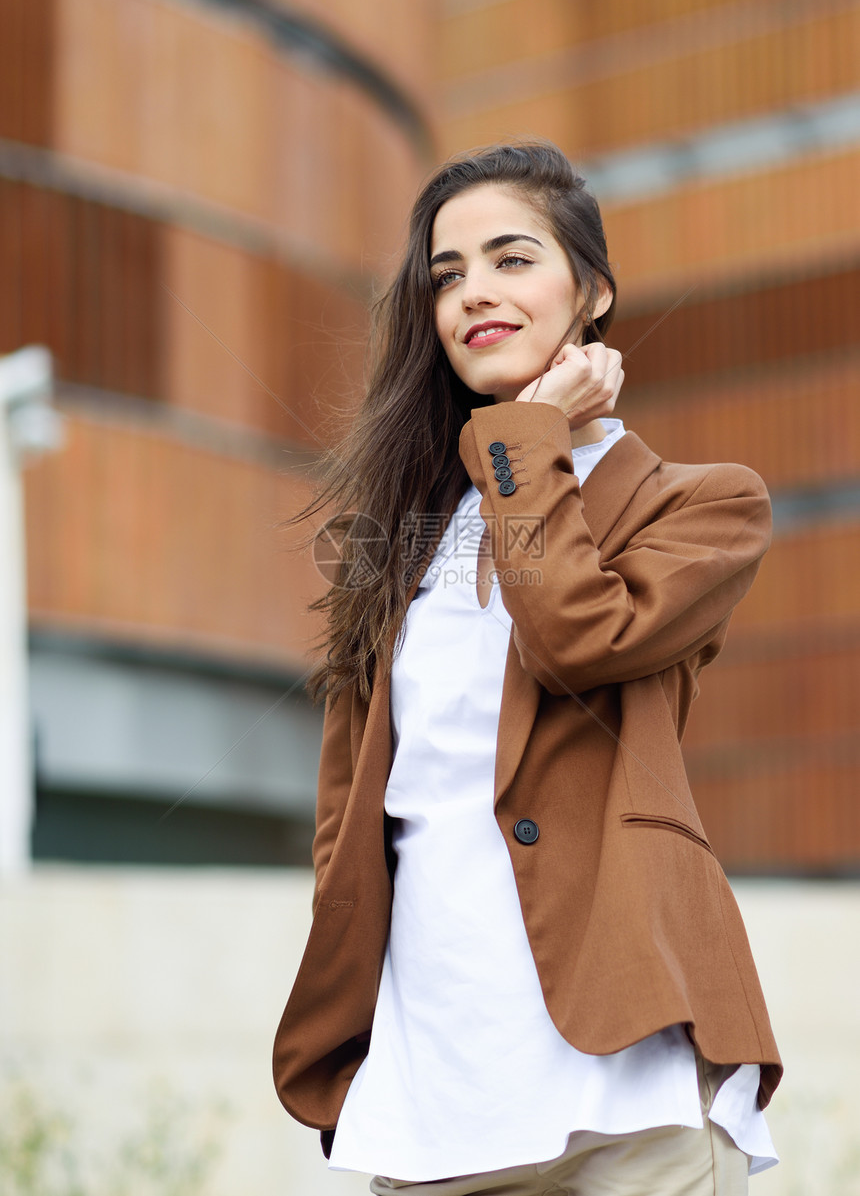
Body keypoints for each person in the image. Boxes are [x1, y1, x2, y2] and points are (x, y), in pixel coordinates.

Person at [272, 141, 782, 1195]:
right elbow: (347, 805)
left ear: (590, 291)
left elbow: (572, 637)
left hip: (625, 1080)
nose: (471, 294)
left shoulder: (703, 504)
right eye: (445, 275)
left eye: (509, 258)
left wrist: (527, 435)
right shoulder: (402, 537)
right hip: (433, 1086)